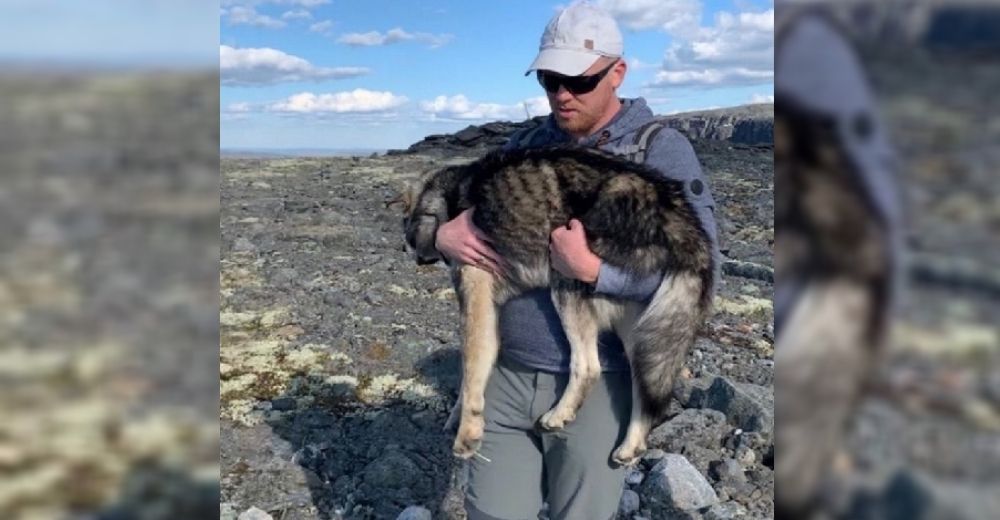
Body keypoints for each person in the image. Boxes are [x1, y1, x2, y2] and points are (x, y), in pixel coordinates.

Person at [434, 2, 720, 518]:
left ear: (617, 73)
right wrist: (443, 238)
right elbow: (467, 228)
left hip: (597, 384)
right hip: (506, 374)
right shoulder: (524, 144)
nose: (562, 95)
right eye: (549, 80)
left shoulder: (660, 150)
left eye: (578, 82)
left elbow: (699, 270)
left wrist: (593, 272)